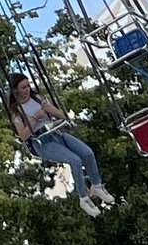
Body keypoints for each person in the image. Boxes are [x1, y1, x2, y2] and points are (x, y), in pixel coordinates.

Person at [7, 74, 114, 217]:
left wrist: (50, 109)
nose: (27, 90)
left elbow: (62, 116)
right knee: (75, 160)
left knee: (87, 153)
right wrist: (35, 118)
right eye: (23, 88)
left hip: (55, 133)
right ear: (16, 90)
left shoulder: (37, 98)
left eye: (28, 86)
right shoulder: (17, 112)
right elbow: (23, 136)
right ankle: (83, 198)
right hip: (41, 141)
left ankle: (96, 185)